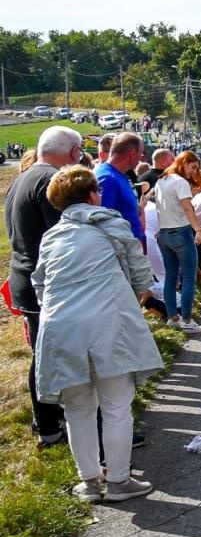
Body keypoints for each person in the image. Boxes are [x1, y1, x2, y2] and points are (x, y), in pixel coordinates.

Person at [31, 166, 163, 503]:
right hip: (107, 325)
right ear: (92, 194)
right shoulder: (112, 224)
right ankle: (119, 481)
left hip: (60, 329)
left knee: (77, 409)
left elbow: (40, 285)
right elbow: (141, 275)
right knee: (117, 405)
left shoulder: (51, 237)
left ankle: (89, 482)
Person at [4, 125, 81, 447]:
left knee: (43, 352)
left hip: (25, 277)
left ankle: (47, 417)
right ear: (73, 153)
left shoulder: (21, 179)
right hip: (46, 282)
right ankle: (50, 422)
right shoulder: (50, 183)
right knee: (51, 356)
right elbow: (63, 238)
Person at [150, 150, 201, 333]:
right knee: (189, 278)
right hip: (181, 232)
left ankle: (173, 317)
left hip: (164, 234)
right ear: (183, 163)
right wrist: (198, 230)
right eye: (192, 167)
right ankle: (187, 319)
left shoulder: (162, 180)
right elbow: (188, 209)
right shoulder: (180, 182)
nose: (193, 171)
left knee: (170, 277)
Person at [95, 132, 145, 246]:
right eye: (141, 153)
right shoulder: (107, 179)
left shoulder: (117, 176)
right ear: (132, 153)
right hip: (121, 252)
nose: (141, 157)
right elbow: (102, 223)